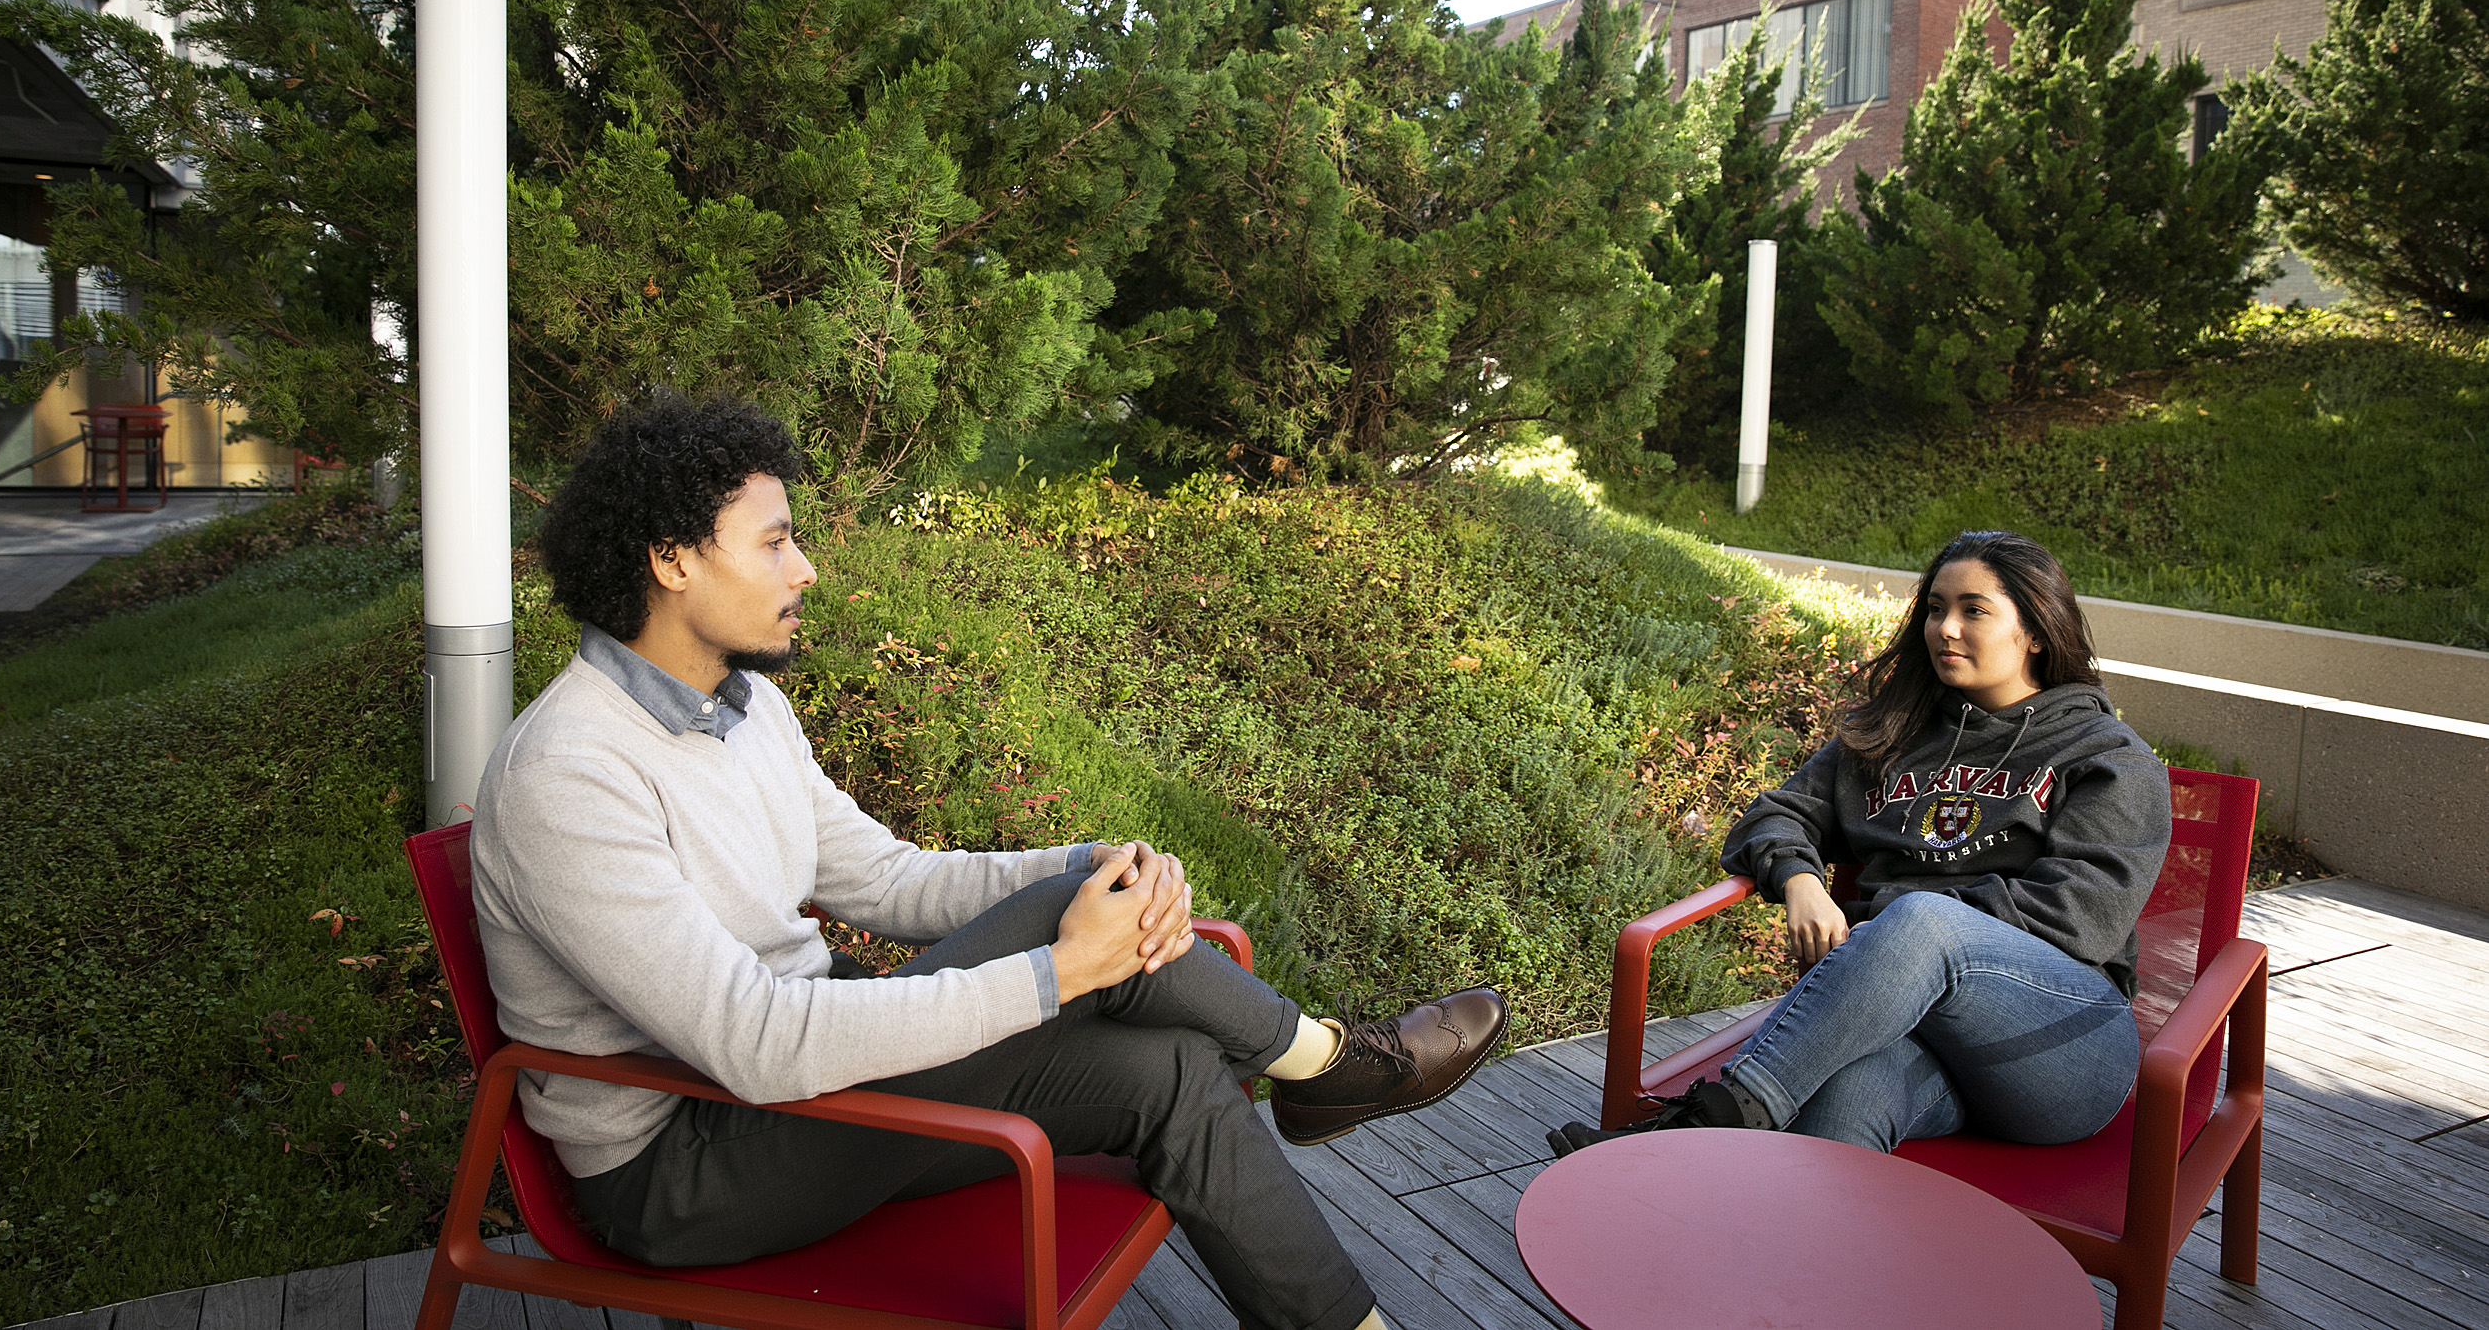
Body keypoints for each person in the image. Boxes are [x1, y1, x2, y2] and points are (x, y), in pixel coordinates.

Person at [475, 395, 1507, 1330]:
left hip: (804, 1094)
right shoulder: (567, 772)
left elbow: (886, 880)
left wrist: (1087, 859)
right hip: (685, 1168)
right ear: (671, 559)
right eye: (777, 541)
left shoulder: (746, 710)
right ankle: (1327, 1062)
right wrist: (1062, 970)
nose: (807, 569)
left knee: (1176, 1071)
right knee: (1076, 922)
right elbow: (749, 1041)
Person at [1551, 530, 2170, 1158]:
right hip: (1914, 1031)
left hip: (2060, 1046)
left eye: (1973, 610)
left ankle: (1712, 1123)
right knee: (1845, 1098)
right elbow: (1776, 815)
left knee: (1924, 921)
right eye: (1935, 608)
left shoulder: (2105, 755)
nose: (1945, 629)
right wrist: (1800, 881)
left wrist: (1897, 939)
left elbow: (2082, 915)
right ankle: (1763, 1244)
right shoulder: (1892, 736)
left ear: (2035, 630)